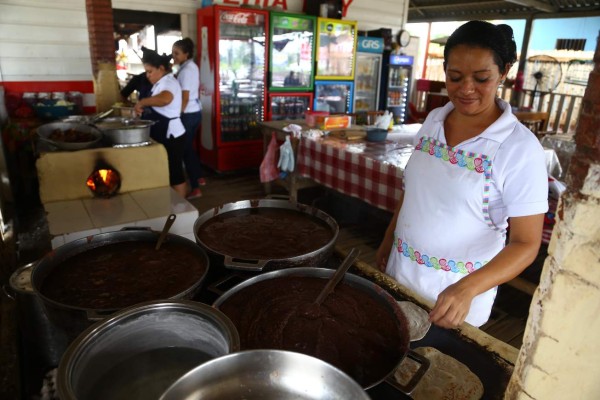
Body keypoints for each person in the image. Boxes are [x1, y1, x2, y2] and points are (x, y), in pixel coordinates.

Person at [375, 21, 548, 329]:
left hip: (454, 300)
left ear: (504, 71)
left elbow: (526, 243)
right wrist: (388, 240)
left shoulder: (518, 148)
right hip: (399, 277)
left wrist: (467, 289)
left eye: (481, 78)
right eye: (455, 77)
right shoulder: (433, 120)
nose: (466, 88)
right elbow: (415, 193)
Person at [133, 48, 187, 198]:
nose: (147, 75)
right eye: (146, 72)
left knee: (175, 174)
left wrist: (143, 102)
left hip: (172, 135)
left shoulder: (168, 82)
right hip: (166, 133)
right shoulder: (161, 83)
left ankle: (181, 209)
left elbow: (165, 99)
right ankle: (173, 206)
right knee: (169, 172)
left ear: (161, 68)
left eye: (150, 71)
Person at [172, 37, 205, 199]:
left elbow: (184, 97)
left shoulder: (185, 71)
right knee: (189, 147)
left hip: (188, 114)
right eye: (173, 53)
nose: (174, 56)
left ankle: (196, 187)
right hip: (195, 112)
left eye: (176, 53)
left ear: (186, 54)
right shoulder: (191, 66)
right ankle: (198, 176)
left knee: (185, 149)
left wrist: (177, 116)